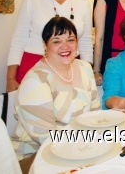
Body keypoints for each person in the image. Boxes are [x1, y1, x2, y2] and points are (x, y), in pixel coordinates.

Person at [11, 16, 100, 171]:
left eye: (70, 40)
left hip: (80, 148)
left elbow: (95, 116)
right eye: (56, 41)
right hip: (36, 155)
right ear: (45, 45)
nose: (65, 46)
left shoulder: (84, 68)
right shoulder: (36, 80)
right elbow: (47, 137)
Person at [6, 0, 93, 92]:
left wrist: (87, 74)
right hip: (34, 66)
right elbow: (18, 40)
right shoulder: (31, 0)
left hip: (69, 67)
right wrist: (10, 78)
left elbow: (86, 42)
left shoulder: (82, 3)